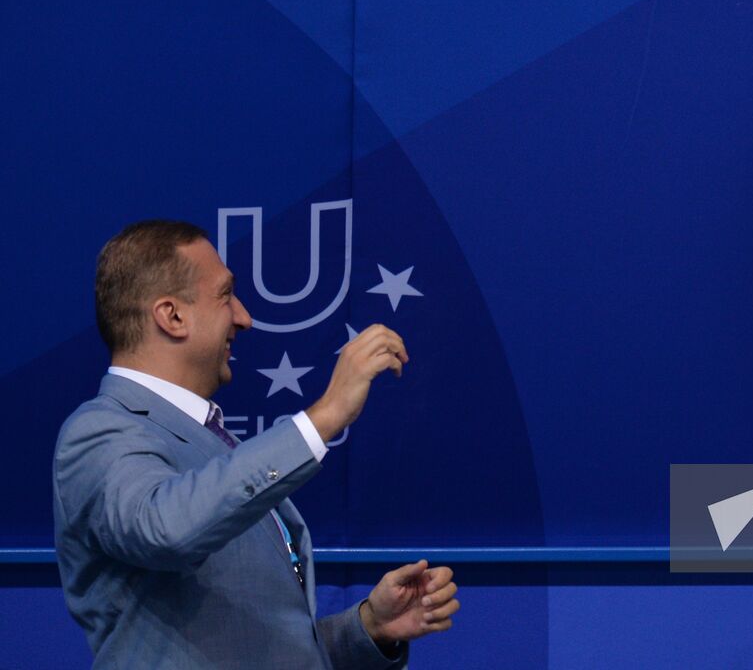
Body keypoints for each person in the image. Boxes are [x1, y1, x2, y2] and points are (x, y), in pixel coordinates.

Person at [54, 219, 460, 669]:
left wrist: (368, 628)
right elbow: (164, 530)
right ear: (172, 316)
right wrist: (323, 417)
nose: (244, 318)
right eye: (226, 295)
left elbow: (250, 647)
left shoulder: (213, 444)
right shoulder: (99, 431)